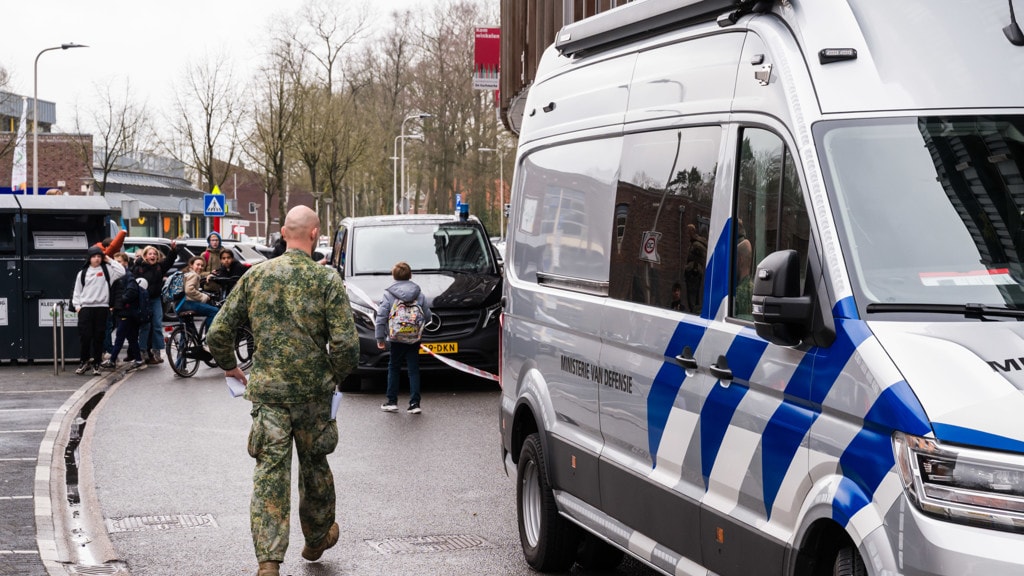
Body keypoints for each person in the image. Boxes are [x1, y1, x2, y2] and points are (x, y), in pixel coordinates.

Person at [208, 206, 358, 576]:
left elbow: (218, 333)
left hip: (269, 395)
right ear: (315, 234)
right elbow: (346, 346)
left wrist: (230, 365)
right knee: (315, 465)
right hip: (312, 394)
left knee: (269, 474)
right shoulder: (326, 281)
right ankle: (317, 536)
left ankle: (269, 560)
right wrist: (332, 376)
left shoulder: (257, 277)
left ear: (282, 232)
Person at [375, 261, 430, 414]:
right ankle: (415, 403)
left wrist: (380, 338)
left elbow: (381, 317)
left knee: (394, 367)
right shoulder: (419, 294)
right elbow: (428, 316)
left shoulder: (389, 294)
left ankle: (392, 401)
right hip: (414, 337)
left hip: (396, 337)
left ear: (393, 276)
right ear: (410, 275)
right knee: (413, 369)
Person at [71, 246, 125, 375]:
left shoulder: (107, 270)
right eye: (94, 256)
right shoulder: (83, 273)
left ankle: (96, 363)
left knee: (98, 337)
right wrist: (78, 307)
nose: (97, 259)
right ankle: (84, 362)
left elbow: (122, 271)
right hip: (86, 308)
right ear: (89, 258)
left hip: (102, 307)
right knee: (85, 337)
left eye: (99, 256)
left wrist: (109, 260)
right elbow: (77, 291)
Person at [103, 252, 149, 371]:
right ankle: (138, 360)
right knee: (132, 337)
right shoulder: (121, 276)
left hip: (126, 312)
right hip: (128, 312)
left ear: (125, 263)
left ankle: (112, 360)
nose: (116, 264)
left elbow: (131, 293)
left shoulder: (128, 277)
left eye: (119, 262)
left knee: (120, 337)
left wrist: (117, 303)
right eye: (115, 262)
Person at [131, 244, 176, 365]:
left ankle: (156, 350)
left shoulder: (159, 267)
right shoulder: (138, 267)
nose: (153, 256)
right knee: (145, 325)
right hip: (143, 300)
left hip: (156, 299)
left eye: (155, 254)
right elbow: (133, 283)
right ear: (145, 256)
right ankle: (143, 350)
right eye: (150, 254)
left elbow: (169, 261)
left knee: (157, 324)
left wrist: (172, 250)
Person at [176, 256, 220, 332]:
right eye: (198, 264)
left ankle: (185, 342)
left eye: (202, 265)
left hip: (179, 305)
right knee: (214, 311)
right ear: (191, 265)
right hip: (187, 303)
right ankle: (208, 336)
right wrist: (204, 297)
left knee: (187, 331)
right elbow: (189, 290)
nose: (200, 267)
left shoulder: (186, 274)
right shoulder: (194, 275)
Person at [684, 223, 707, 313]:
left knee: (692, 295)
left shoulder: (697, 244)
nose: (688, 233)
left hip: (694, 273)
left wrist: (693, 268)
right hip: (695, 272)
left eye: (689, 231)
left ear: (692, 231)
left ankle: (694, 311)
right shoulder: (695, 242)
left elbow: (699, 257)